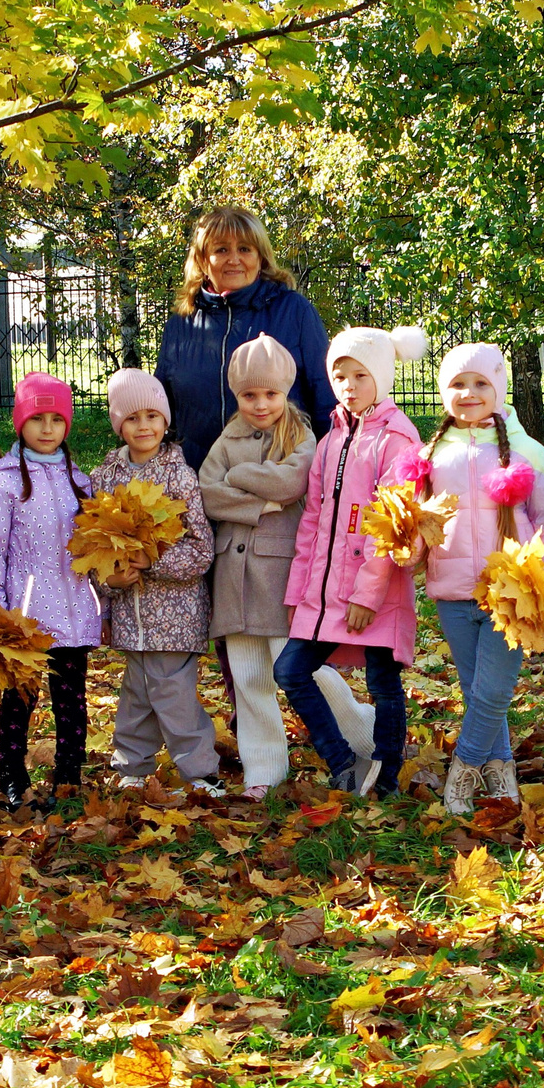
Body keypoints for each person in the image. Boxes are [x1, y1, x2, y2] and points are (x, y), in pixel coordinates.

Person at [199, 335, 376, 801]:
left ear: (286, 392)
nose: (260, 404)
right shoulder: (227, 437)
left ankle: (362, 729)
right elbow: (206, 491)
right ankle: (264, 767)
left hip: (279, 573)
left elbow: (292, 481)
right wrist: (261, 504)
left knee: (303, 666)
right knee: (249, 676)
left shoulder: (299, 434)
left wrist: (238, 480)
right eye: (249, 395)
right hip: (233, 579)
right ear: (236, 395)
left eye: (271, 394)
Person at [414, 341, 544, 814]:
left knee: (494, 689)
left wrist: (543, 580)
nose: (469, 392)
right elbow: (419, 522)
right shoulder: (433, 453)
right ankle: (500, 775)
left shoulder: (524, 451)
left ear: (499, 388)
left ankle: (463, 771)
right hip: (452, 590)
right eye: (457, 384)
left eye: (481, 383)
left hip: (509, 595)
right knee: (476, 687)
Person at [278, 325, 428, 799]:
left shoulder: (398, 440)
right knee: (291, 671)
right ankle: (341, 760)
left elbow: (391, 524)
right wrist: (299, 592)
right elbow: (313, 522)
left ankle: (387, 774)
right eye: (340, 375)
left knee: (384, 683)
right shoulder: (330, 440)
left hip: (376, 592)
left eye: (360, 375)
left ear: (380, 378)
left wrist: (367, 594)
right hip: (324, 592)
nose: (348, 385)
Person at [92, 369, 224, 803]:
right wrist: (110, 582)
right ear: (118, 424)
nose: (143, 426)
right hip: (132, 613)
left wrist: (155, 561)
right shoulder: (105, 477)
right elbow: (96, 545)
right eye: (132, 418)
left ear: (166, 421)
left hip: (176, 613)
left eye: (152, 415)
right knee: (136, 693)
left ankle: (200, 769)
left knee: (173, 693)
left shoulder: (180, 476)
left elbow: (201, 550)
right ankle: (132, 766)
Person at [0, 373, 99, 809]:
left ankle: (68, 778)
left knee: (71, 703)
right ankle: (12, 777)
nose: (47, 429)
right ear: (19, 423)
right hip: (23, 620)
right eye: (37, 418)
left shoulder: (80, 483)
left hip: (73, 612)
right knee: (17, 705)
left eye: (56, 419)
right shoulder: (3, 483)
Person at [155, 205, 334, 470]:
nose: (234, 259)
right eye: (221, 249)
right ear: (203, 260)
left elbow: (326, 399)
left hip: (277, 486)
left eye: (245, 249)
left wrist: (327, 472)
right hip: (196, 484)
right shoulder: (182, 322)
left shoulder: (294, 311)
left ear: (261, 257)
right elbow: (160, 409)